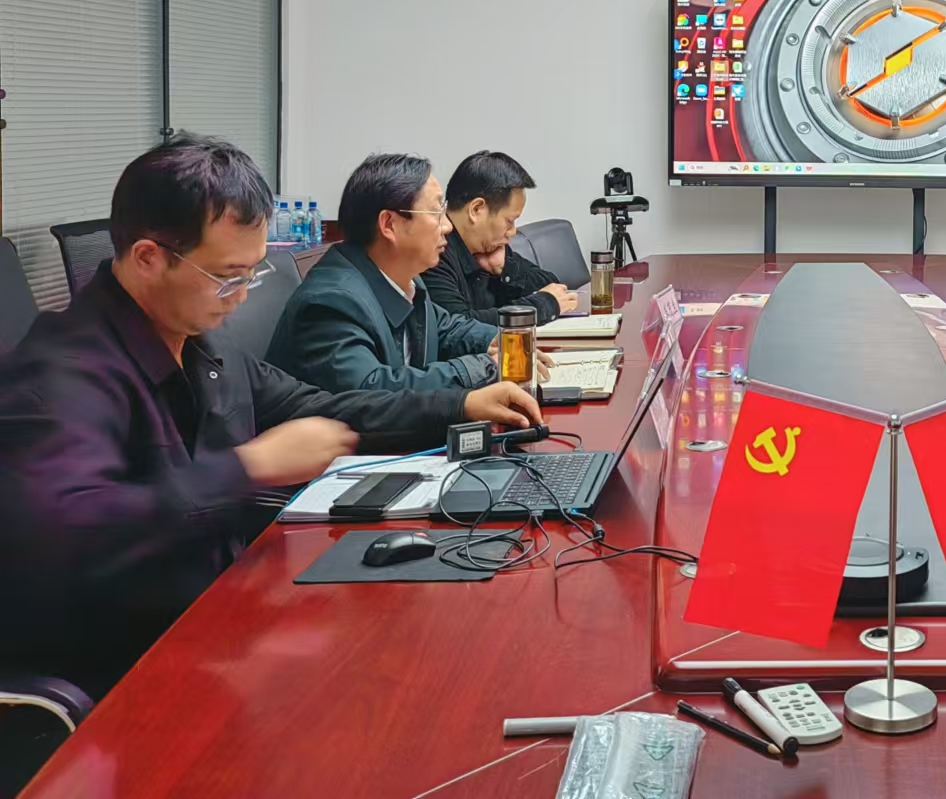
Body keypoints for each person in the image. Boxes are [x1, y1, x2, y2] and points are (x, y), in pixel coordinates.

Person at [0, 135, 542, 697]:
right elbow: (73, 534)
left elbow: (320, 406)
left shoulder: (197, 342)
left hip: (227, 611)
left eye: (250, 275)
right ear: (147, 258)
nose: (240, 297)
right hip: (130, 668)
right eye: (227, 276)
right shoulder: (62, 375)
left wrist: (458, 405)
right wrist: (249, 467)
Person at [268, 154, 530, 393]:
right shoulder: (331, 302)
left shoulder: (405, 280)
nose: (448, 226)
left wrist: (502, 342)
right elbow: (372, 390)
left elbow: (445, 328)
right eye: (436, 212)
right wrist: (485, 367)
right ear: (389, 224)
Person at [422, 150, 578, 326]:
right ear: (476, 210)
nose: (512, 231)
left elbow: (552, 288)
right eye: (510, 221)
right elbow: (459, 327)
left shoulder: (489, 246)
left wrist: (505, 269)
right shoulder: (434, 254)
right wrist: (542, 307)